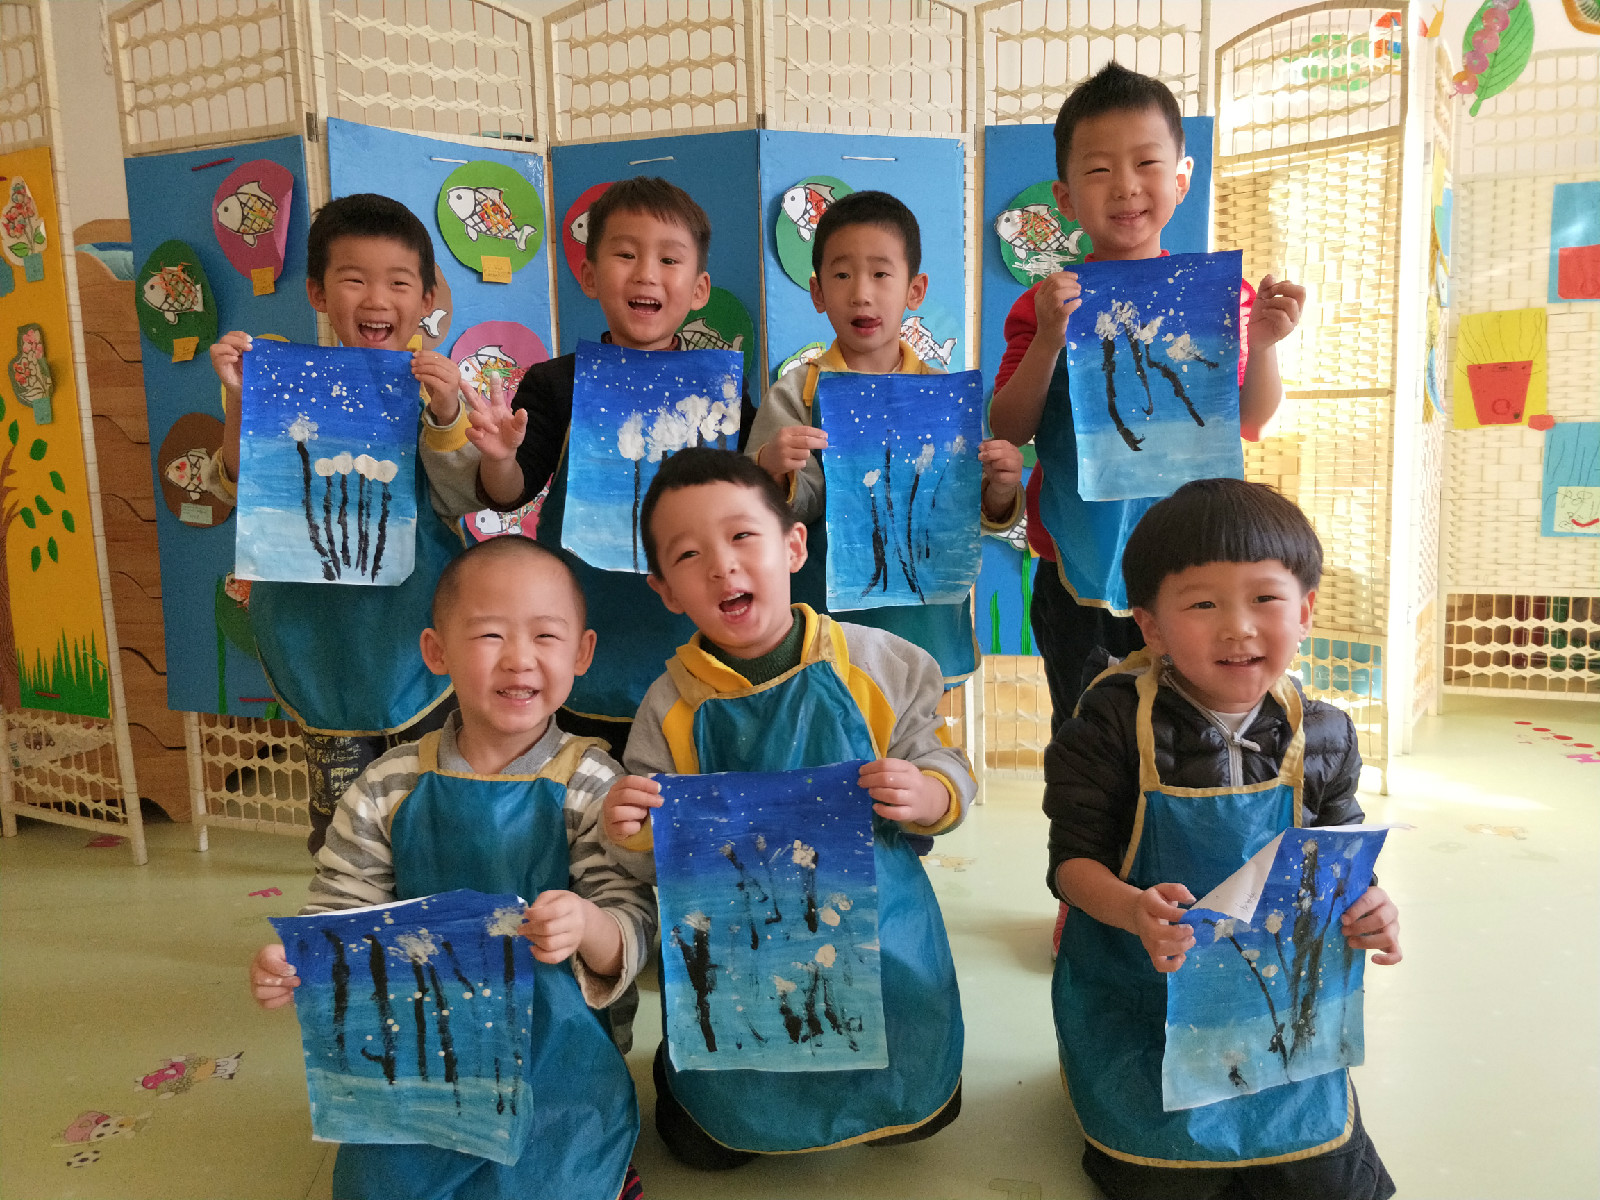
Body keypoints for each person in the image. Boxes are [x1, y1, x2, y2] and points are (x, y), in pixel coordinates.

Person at [248, 536, 655, 1200]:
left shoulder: (593, 783)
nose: (519, 658)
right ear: (436, 653)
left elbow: (632, 920)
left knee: (558, 1176)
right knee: (375, 1188)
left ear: (581, 654)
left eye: (546, 636)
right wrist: (295, 963)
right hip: (422, 1046)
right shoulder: (387, 785)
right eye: (490, 634)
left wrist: (587, 925)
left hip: (560, 1051)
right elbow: (341, 912)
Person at [601, 447, 972, 1169]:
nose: (722, 565)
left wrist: (928, 793)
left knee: (916, 1111)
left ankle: (893, 1093)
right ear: (665, 590)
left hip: (878, 934)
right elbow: (647, 856)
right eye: (688, 554)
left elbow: (946, 765)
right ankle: (722, 1098)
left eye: (743, 536)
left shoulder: (880, 664)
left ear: (794, 546)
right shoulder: (669, 704)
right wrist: (633, 830)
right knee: (705, 1144)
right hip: (738, 956)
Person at [1044, 478, 1400, 1200]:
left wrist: (1370, 906)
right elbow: (1072, 865)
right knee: (1162, 1182)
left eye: (1265, 599)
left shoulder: (1325, 733)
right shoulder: (1110, 727)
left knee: (1333, 1185)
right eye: (1203, 605)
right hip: (1142, 995)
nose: (1238, 628)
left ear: (1304, 611)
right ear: (1150, 626)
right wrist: (1133, 909)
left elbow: (1340, 860)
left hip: (1275, 1006)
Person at [987, 62, 1306, 726]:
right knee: (1089, 735)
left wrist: (1264, 344)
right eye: (1099, 169)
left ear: (1182, 178)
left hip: (1199, 568)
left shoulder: (1217, 300)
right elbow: (1009, 426)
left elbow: (1252, 418)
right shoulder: (1043, 304)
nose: (1126, 186)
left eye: (1147, 163)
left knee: (1194, 731)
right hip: (1077, 574)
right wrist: (1048, 338)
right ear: (1065, 197)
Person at [422, 177, 756, 761]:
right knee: (588, 797)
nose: (646, 274)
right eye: (625, 254)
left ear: (699, 288)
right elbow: (509, 493)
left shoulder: (721, 391)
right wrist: (500, 458)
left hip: (697, 643)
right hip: (585, 642)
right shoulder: (555, 382)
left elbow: (752, 507)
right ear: (589, 275)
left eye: (669, 259)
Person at [210, 193, 483, 854]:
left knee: (437, 814)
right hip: (317, 641)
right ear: (318, 292)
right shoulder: (283, 382)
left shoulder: (433, 385)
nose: (377, 299)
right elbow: (239, 489)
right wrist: (242, 401)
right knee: (342, 830)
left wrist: (448, 413)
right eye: (354, 279)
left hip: (417, 640)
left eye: (399, 283)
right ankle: (350, 915)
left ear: (426, 299)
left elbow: (461, 498)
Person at [745, 188, 1024, 685]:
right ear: (817, 292)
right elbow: (762, 516)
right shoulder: (797, 393)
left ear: (915, 290)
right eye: (842, 275)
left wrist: (1000, 489)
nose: (861, 293)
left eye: (880, 273)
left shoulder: (944, 396)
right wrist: (770, 470)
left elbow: (964, 513)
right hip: (827, 636)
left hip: (928, 630)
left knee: (921, 734)